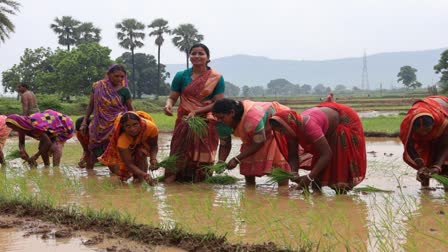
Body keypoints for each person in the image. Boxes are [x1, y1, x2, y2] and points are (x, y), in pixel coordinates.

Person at [269, 99, 366, 192]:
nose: (281, 134)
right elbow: (293, 155)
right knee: (316, 181)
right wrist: (294, 173)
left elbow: (326, 154)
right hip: (325, 120)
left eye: (282, 130)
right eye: (279, 131)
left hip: (344, 119)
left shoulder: (310, 127)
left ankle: (342, 192)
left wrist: (309, 177)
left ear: (290, 124)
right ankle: (317, 189)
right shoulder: (291, 130)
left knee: (339, 167)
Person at [163, 43, 225, 183]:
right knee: (178, 151)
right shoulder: (181, 76)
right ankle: (173, 182)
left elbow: (218, 103)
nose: (197, 56)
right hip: (184, 120)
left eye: (201, 53)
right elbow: (172, 97)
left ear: (208, 58)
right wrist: (168, 105)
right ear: (189, 57)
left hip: (205, 122)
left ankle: (201, 182)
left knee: (203, 156)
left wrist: (197, 111)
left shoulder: (216, 78)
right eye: (194, 53)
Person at [212, 98, 304, 185]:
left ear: (232, 113)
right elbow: (225, 144)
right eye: (217, 118)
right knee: (247, 164)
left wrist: (237, 159)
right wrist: (221, 161)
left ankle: (285, 190)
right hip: (255, 136)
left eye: (221, 117)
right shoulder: (221, 125)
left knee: (278, 166)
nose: (219, 121)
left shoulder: (251, 118)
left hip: (276, 126)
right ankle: (250, 189)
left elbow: (259, 142)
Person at [80, 64, 134, 172]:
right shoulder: (98, 86)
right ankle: (89, 179)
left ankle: (116, 175)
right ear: (109, 75)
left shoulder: (124, 91)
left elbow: (130, 109)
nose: (119, 79)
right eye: (116, 76)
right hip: (98, 126)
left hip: (116, 126)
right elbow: (91, 105)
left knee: (113, 154)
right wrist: (84, 121)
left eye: (122, 77)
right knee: (92, 154)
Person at [399, 96, 448, 188]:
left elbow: (445, 146)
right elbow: (409, 146)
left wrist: (437, 166)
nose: (424, 134)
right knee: (425, 161)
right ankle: (425, 190)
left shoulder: (443, 121)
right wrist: (421, 166)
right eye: (420, 131)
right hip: (423, 139)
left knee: (445, 165)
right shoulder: (408, 124)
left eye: (427, 130)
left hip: (444, 127)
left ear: (433, 125)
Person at [99, 111, 158, 185]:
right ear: (123, 127)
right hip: (127, 147)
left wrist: (153, 159)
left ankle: (140, 182)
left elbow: (154, 146)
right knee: (118, 169)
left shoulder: (151, 128)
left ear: (140, 123)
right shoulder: (122, 139)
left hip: (143, 143)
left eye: (135, 124)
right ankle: (141, 178)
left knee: (141, 154)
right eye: (128, 126)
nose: (132, 129)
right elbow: (128, 163)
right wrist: (145, 175)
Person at [6, 109, 74, 167]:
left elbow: (48, 143)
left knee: (55, 147)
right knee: (42, 147)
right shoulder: (21, 127)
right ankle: (47, 166)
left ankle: (56, 169)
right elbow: (21, 142)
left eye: (14, 127)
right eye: (11, 128)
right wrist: (22, 150)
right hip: (48, 128)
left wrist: (35, 156)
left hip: (62, 124)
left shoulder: (34, 126)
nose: (14, 129)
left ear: (18, 123)